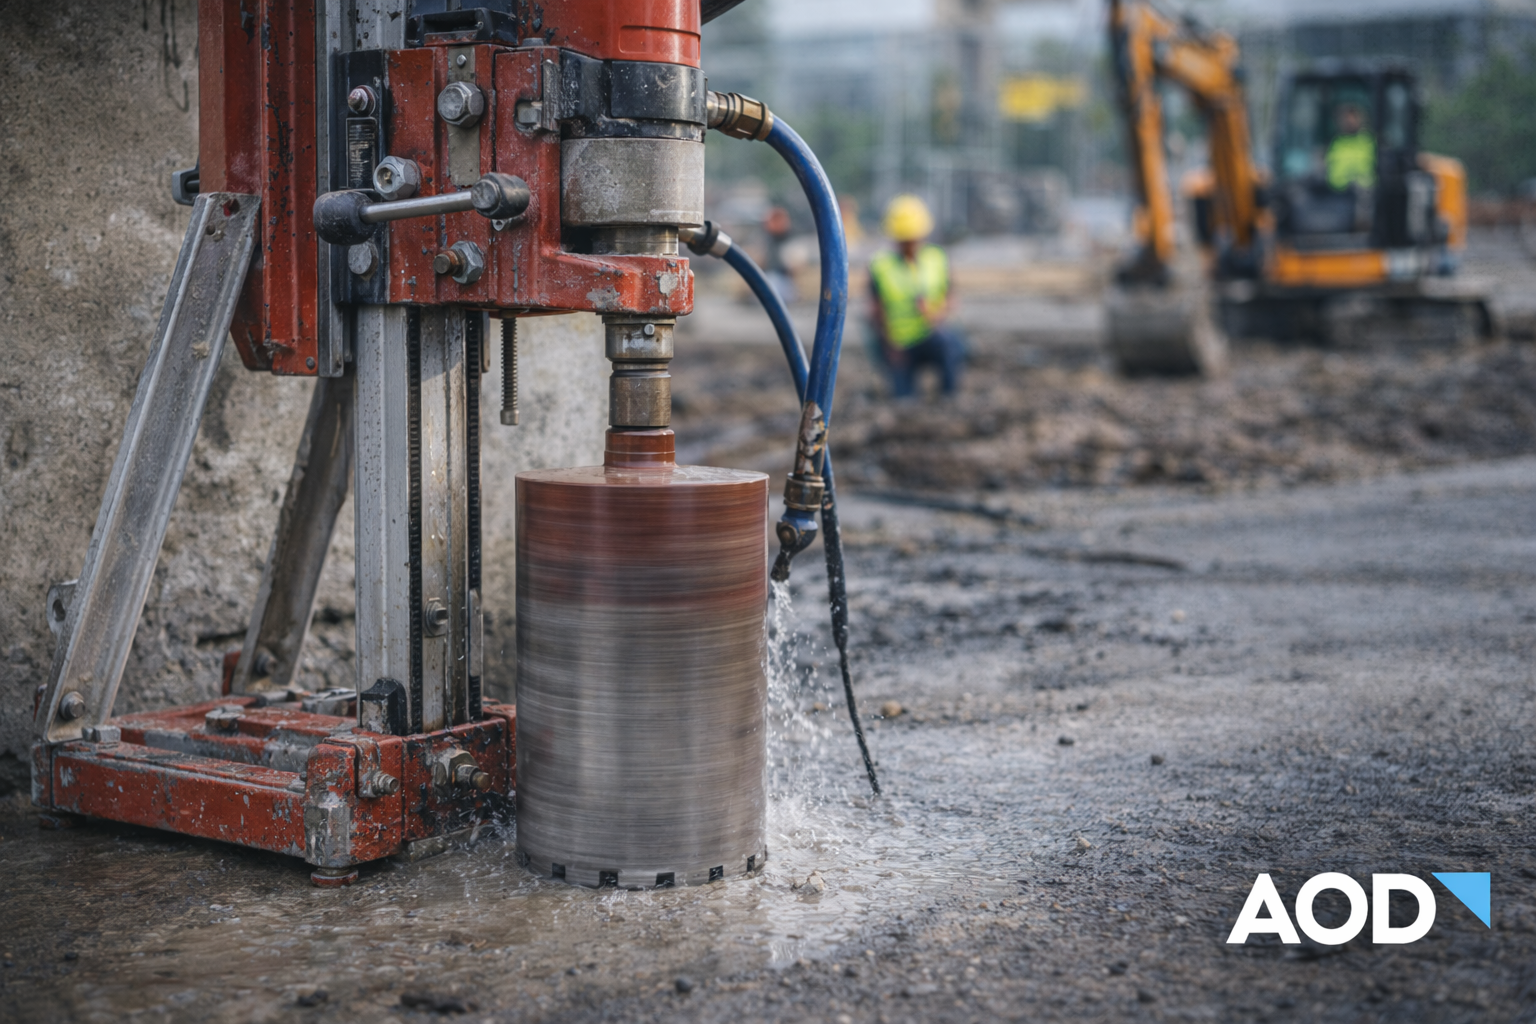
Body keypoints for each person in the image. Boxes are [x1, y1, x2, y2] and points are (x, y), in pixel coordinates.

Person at [868, 195, 965, 399]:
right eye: (905, 240)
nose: (910, 244)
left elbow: (950, 296)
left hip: (931, 335)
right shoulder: (881, 266)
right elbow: (875, 311)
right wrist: (888, 345)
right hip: (899, 344)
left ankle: (949, 398)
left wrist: (937, 313)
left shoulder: (936, 258)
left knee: (951, 343)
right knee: (904, 399)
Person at [1326, 103, 1375, 191]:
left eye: (1353, 118)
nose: (1350, 122)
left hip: (1366, 194)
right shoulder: (1336, 143)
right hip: (1339, 195)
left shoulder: (1369, 142)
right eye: (1346, 118)